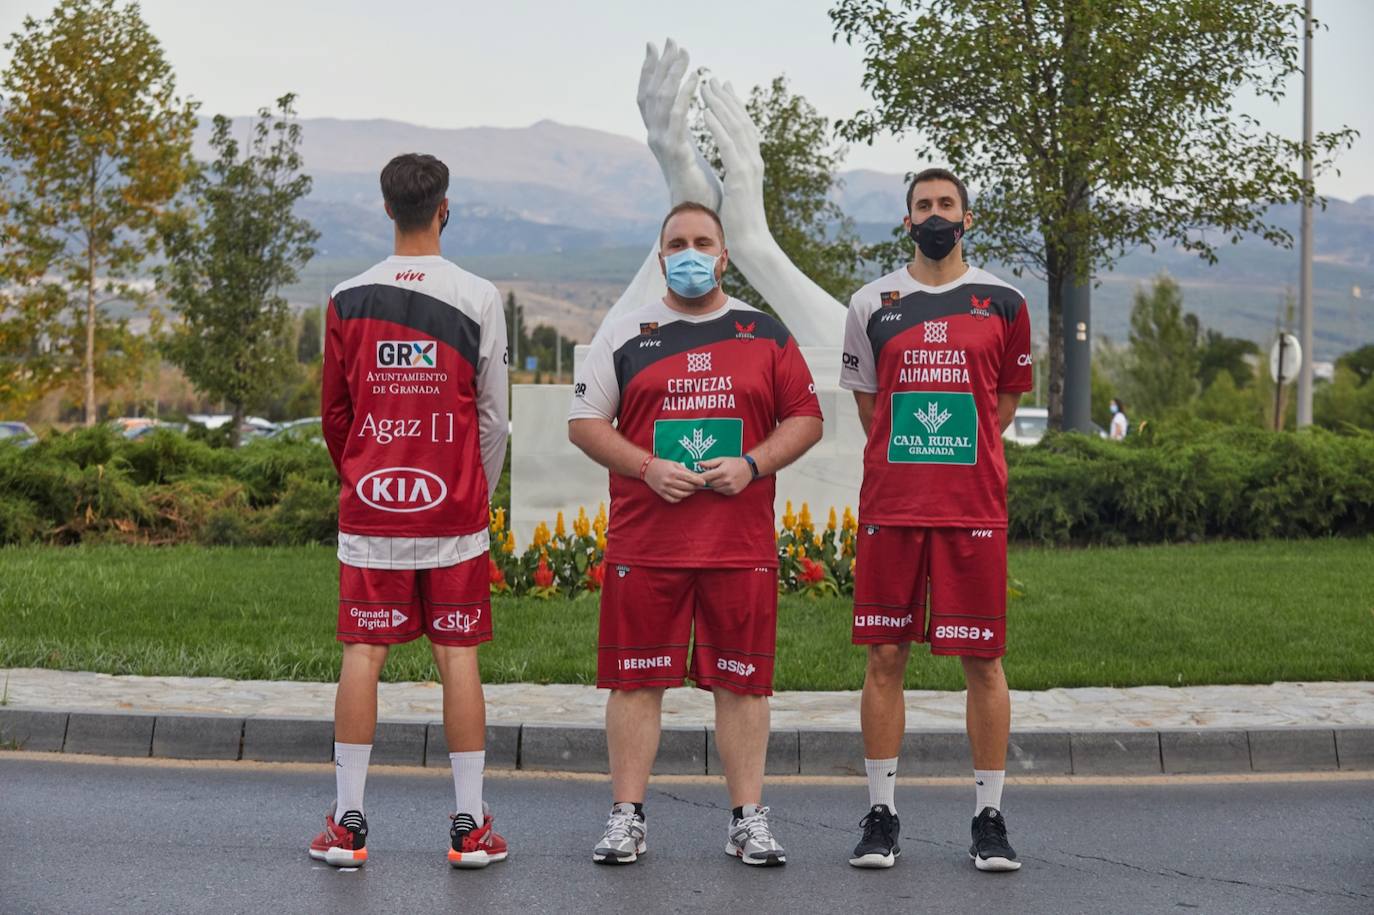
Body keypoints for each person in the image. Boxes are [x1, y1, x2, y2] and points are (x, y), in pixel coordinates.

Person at [568, 201, 823, 867]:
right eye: (676, 242)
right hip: (645, 543)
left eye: (702, 241)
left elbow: (805, 416)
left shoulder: (762, 332)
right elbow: (585, 420)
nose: (689, 252)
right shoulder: (626, 330)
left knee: (742, 686)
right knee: (635, 683)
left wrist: (753, 462)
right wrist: (647, 467)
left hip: (737, 546)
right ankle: (627, 817)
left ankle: (748, 820)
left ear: (724, 254)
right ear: (660, 257)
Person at [311, 153, 509, 869]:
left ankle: (348, 824)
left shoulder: (344, 295)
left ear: (386, 208)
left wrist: (364, 472)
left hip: (372, 516)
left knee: (362, 653)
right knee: (458, 657)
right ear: (445, 208)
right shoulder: (480, 296)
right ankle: (468, 827)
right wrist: (471, 489)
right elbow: (493, 418)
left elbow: (335, 413)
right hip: (455, 512)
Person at [840, 168, 1033, 873]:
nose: (934, 214)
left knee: (983, 660)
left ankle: (989, 816)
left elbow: (1003, 405)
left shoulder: (1005, 301)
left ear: (968, 217)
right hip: (892, 506)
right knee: (886, 656)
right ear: (906, 219)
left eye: (945, 204)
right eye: (922, 205)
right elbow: (870, 409)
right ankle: (882, 813)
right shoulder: (872, 303)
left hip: (972, 506)